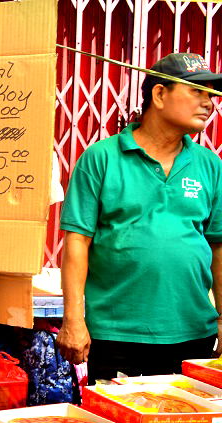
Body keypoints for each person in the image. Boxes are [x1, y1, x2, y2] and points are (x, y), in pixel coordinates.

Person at [57, 52, 222, 382]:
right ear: (159, 95)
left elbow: (218, 247)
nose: (209, 103)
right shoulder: (101, 159)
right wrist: (73, 318)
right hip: (117, 333)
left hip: (192, 331)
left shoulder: (210, 165)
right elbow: (77, 241)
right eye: (197, 91)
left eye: (211, 94)